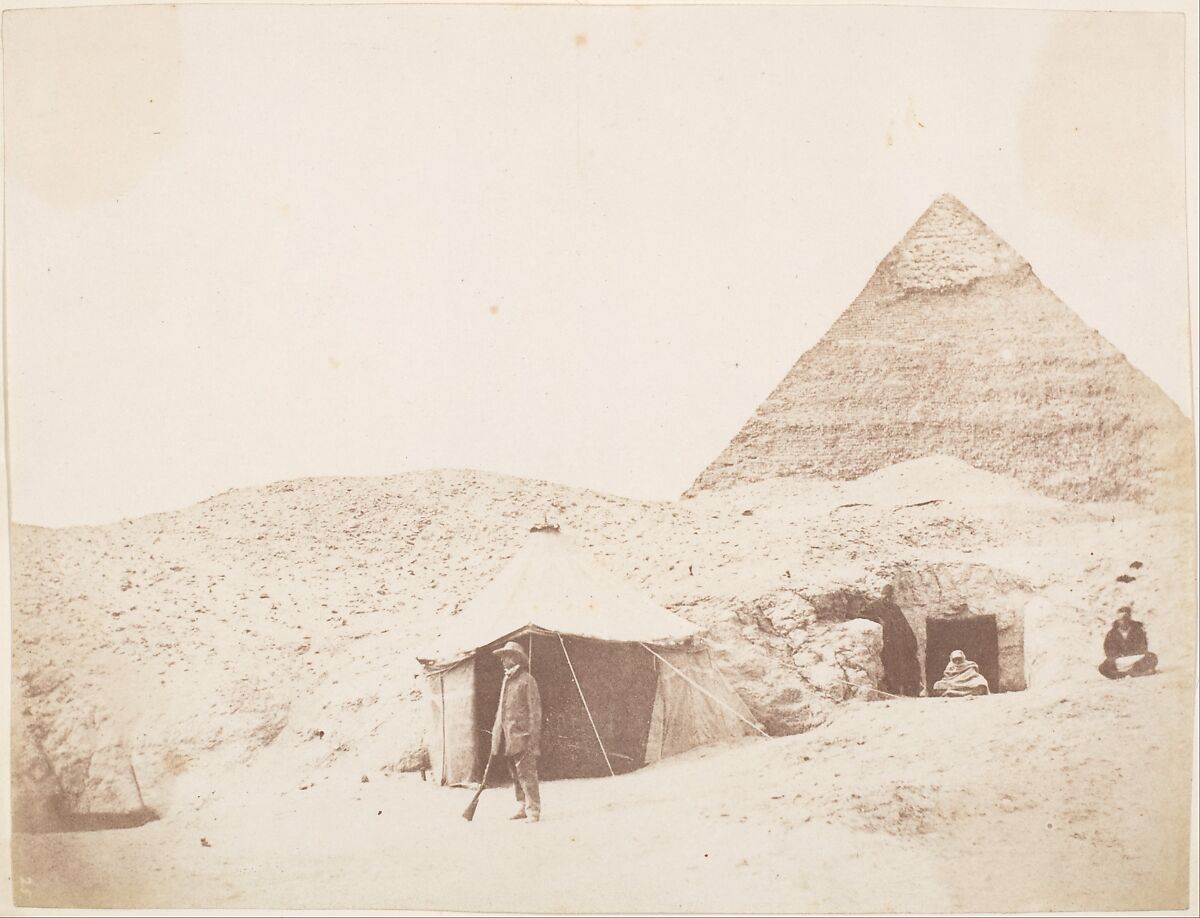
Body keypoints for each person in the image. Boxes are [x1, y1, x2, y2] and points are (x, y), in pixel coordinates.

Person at [491, 640, 542, 823]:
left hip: (523, 737)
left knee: (527, 774)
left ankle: (533, 810)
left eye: (506, 656)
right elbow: (501, 709)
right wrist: (497, 735)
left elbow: (535, 713)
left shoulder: (527, 680)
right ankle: (521, 805)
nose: (503, 659)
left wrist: (533, 741)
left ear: (515, 658)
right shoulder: (506, 680)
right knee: (515, 773)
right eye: (502, 656)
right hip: (509, 736)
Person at [1099, 606, 1158, 679]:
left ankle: (1125, 673)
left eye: (1125, 618)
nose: (1123, 622)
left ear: (1129, 618)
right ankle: (1133, 673)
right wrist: (1118, 656)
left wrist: (1132, 653)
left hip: (1135, 659)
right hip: (1120, 661)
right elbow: (1108, 650)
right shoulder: (1112, 633)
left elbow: (1143, 647)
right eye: (1120, 619)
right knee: (1103, 667)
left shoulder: (1138, 630)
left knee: (1152, 657)